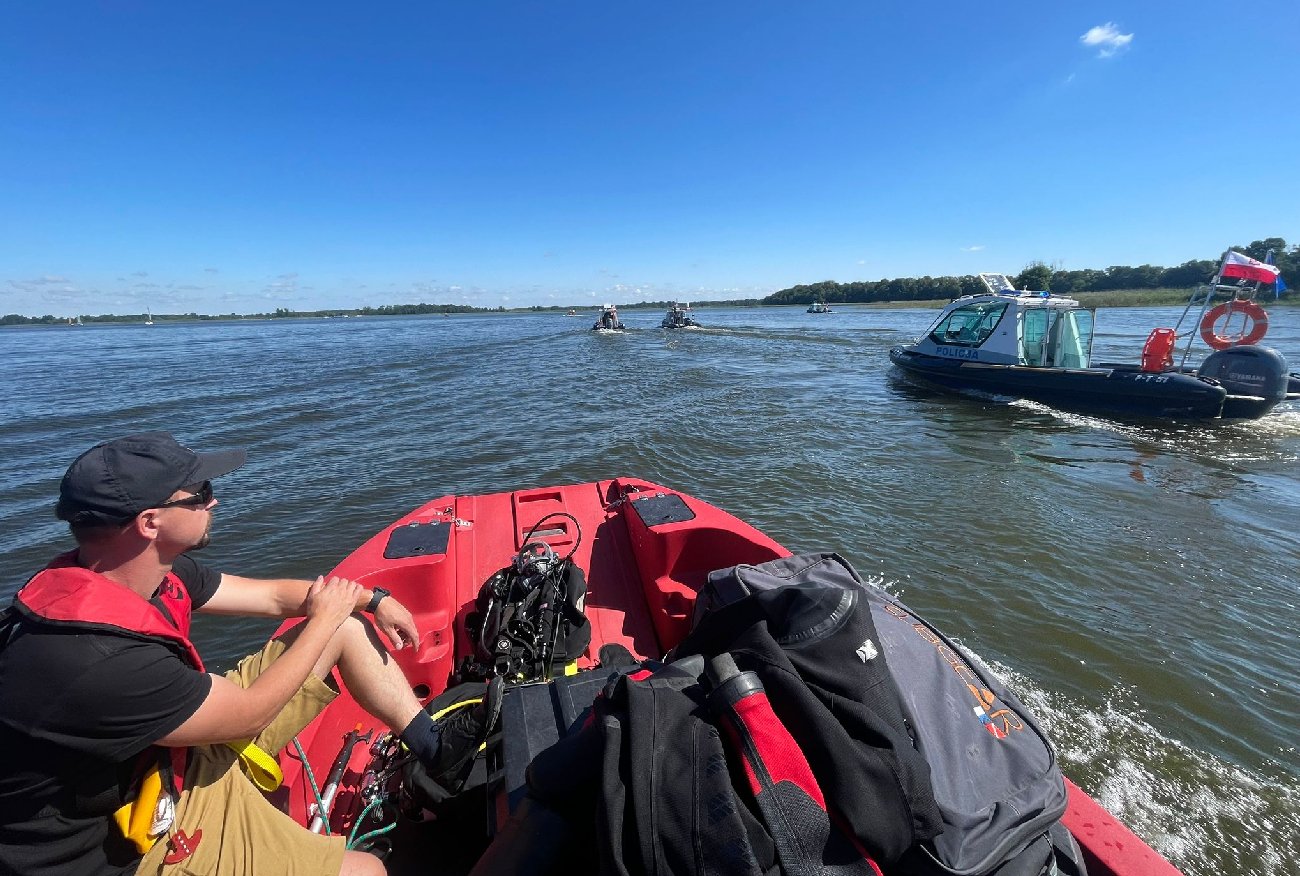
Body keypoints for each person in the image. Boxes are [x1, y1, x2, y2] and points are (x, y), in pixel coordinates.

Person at [0, 433, 497, 876]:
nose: (214, 501)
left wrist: (371, 599)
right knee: (366, 871)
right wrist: (323, 617)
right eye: (198, 496)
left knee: (340, 628)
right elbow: (247, 716)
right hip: (132, 842)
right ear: (149, 522)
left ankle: (440, 754)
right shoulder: (96, 659)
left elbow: (273, 597)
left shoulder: (140, 575)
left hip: (167, 759)